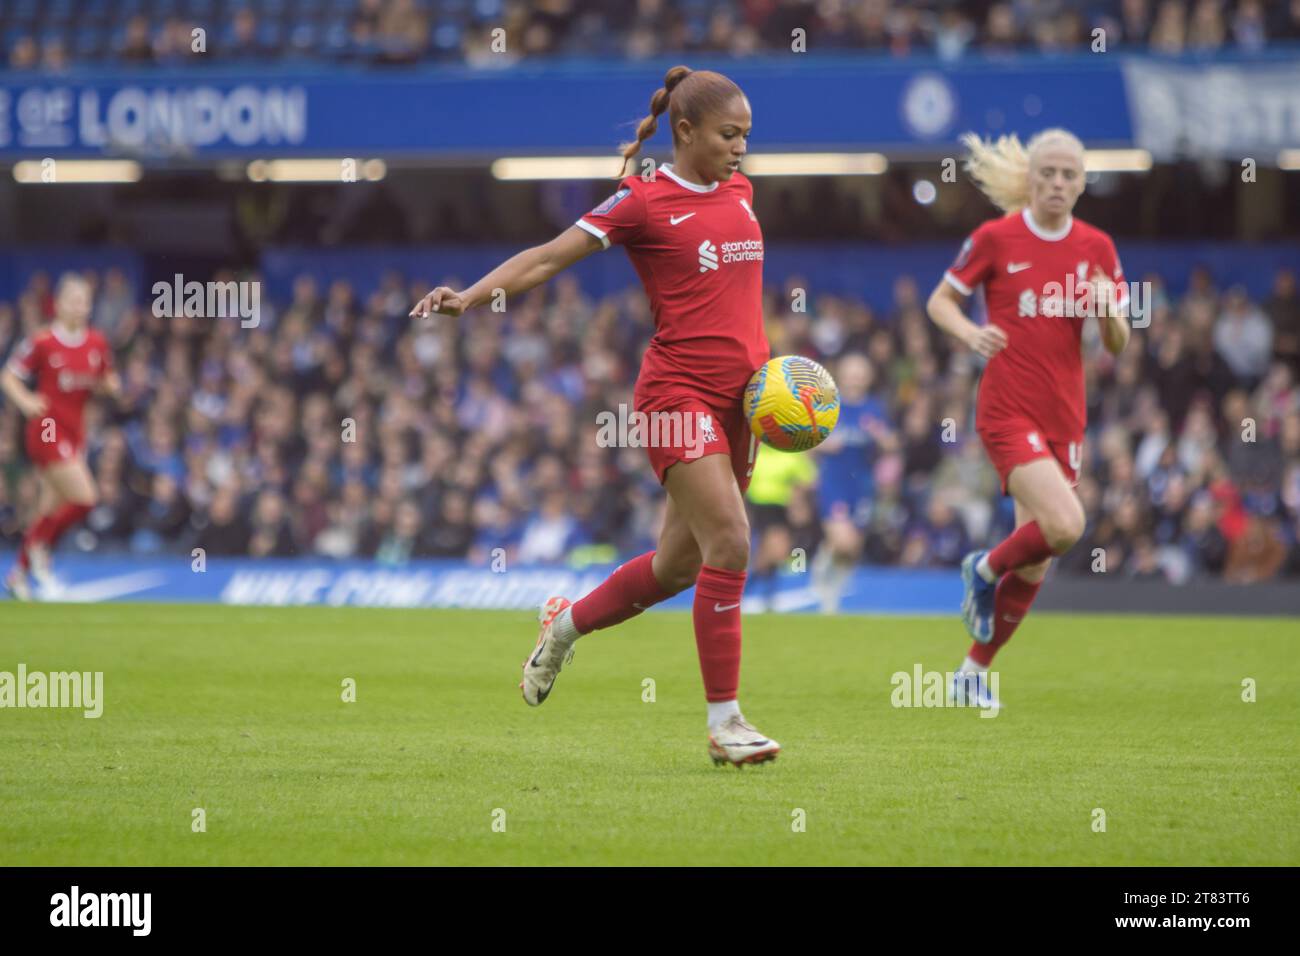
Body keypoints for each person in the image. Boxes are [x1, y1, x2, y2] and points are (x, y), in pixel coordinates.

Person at [410, 66, 778, 766]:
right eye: (729, 135)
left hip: (743, 407)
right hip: (676, 397)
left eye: (748, 137)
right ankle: (726, 724)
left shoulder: (741, 191)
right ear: (686, 132)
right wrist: (470, 296)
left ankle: (563, 627)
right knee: (731, 540)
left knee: (677, 568)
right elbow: (547, 259)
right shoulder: (641, 203)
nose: (741, 149)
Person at [926, 129, 1130, 709]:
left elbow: (1117, 342)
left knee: (1037, 558)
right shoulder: (996, 237)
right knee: (1066, 525)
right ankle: (982, 567)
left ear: (1083, 182)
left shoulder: (1097, 248)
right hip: (1007, 409)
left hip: (1065, 416)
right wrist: (970, 333)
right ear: (1031, 178)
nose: (1058, 184)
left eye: (1069, 175)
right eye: (1048, 173)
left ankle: (970, 673)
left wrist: (1108, 310)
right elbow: (939, 302)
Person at [2, 273, 120, 599]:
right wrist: (26, 401)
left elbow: (107, 379)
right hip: (47, 429)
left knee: (49, 508)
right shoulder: (43, 341)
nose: (81, 307)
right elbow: (9, 375)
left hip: (74, 432)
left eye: (86, 302)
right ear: (60, 302)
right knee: (86, 498)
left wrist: (110, 386)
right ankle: (41, 551)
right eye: (75, 300)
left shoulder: (97, 342)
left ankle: (19, 575)